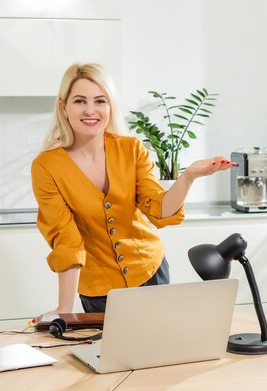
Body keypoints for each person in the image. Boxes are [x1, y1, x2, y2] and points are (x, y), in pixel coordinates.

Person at [31, 63, 233, 314]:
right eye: (80, 101)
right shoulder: (47, 166)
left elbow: (158, 209)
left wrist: (188, 177)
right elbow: (66, 240)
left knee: (159, 349)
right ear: (64, 107)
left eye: (100, 101)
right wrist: (64, 309)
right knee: (108, 353)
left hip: (151, 272)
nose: (90, 110)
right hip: (99, 291)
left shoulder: (131, 149)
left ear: (110, 106)